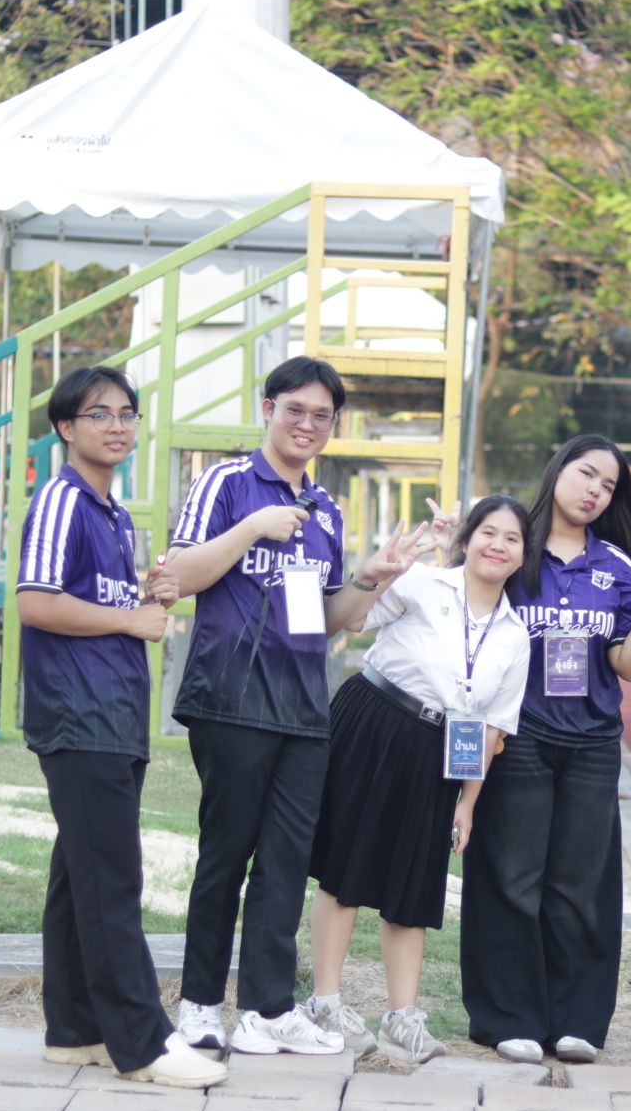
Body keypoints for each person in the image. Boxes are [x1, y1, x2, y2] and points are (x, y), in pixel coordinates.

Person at [155, 355, 434, 1057]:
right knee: (226, 854)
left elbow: (331, 619)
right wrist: (252, 528)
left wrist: (368, 580)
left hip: (307, 708)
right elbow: (175, 577)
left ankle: (268, 1009)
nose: (307, 424)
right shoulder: (225, 483)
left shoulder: (327, 509)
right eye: (295, 410)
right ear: (268, 409)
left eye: (322, 416)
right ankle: (198, 1004)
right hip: (231, 699)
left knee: (285, 862)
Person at [460, 435, 631, 1065]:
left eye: (609, 486)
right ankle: (510, 1018)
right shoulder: (513, 547)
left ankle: (576, 1020)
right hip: (517, 737)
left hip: (593, 743)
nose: (596, 491)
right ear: (558, 471)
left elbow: (629, 665)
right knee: (511, 879)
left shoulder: (617, 567)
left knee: (580, 886)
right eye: (586, 474)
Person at [15, 365, 226, 1089]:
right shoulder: (61, 500)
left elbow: (96, 600)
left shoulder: (113, 513)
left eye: (127, 414)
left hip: (113, 716)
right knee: (112, 881)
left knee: (79, 876)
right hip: (78, 715)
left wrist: (146, 594)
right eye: (98, 414)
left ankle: (74, 1030)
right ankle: (142, 1044)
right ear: (64, 428)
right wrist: (130, 619)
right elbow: (36, 602)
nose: (116, 426)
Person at [304, 497, 534, 1063]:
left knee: (415, 881)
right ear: (468, 539)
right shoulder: (424, 583)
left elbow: (492, 729)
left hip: (441, 749)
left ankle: (402, 1017)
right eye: (488, 532)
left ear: (523, 556)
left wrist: (468, 803)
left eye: (512, 538)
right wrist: (380, 573)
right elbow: (353, 620)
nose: (498, 545)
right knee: (344, 866)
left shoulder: (516, 635)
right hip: (375, 721)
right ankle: (325, 1002)